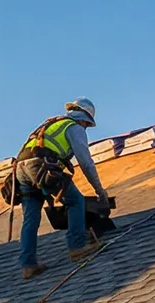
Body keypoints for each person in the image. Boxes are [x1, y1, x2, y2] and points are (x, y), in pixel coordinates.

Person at [13, 98, 109, 279]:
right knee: (75, 201)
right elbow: (86, 163)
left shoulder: (50, 123)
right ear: (84, 119)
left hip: (21, 169)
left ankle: (28, 265)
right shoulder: (74, 128)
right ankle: (77, 247)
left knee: (31, 218)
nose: (86, 128)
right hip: (41, 166)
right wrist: (99, 190)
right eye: (87, 125)